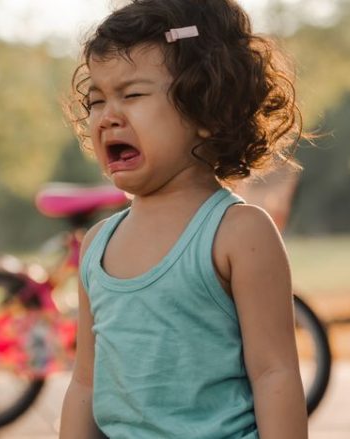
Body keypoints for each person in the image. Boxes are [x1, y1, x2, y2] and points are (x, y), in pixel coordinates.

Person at [59, 1, 308, 438]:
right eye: (97, 101)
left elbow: (275, 375)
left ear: (205, 111)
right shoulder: (98, 245)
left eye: (132, 95)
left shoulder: (238, 233)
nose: (108, 116)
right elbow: (85, 384)